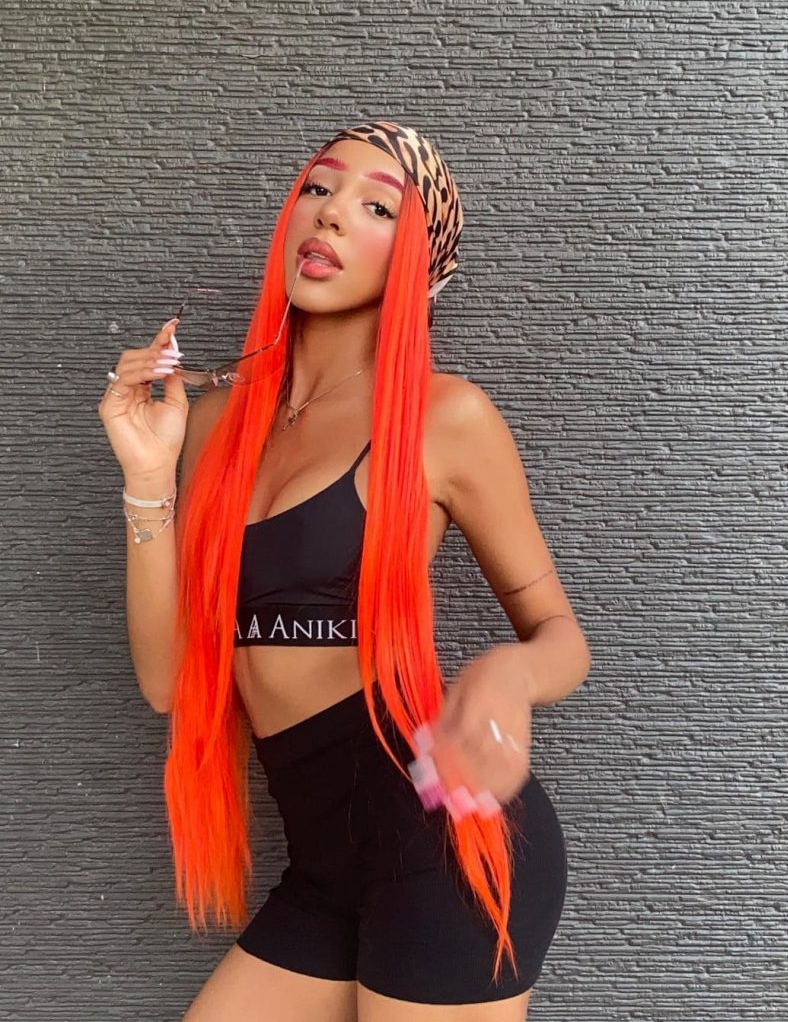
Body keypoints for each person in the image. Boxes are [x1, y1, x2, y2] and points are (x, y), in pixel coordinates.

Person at [98, 120, 591, 1021]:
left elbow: (561, 638)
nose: (329, 215)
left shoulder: (447, 419)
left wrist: (505, 676)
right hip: (324, 866)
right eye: (319, 189)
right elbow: (168, 682)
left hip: (446, 849)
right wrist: (147, 476)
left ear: (417, 264)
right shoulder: (211, 423)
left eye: (377, 208)